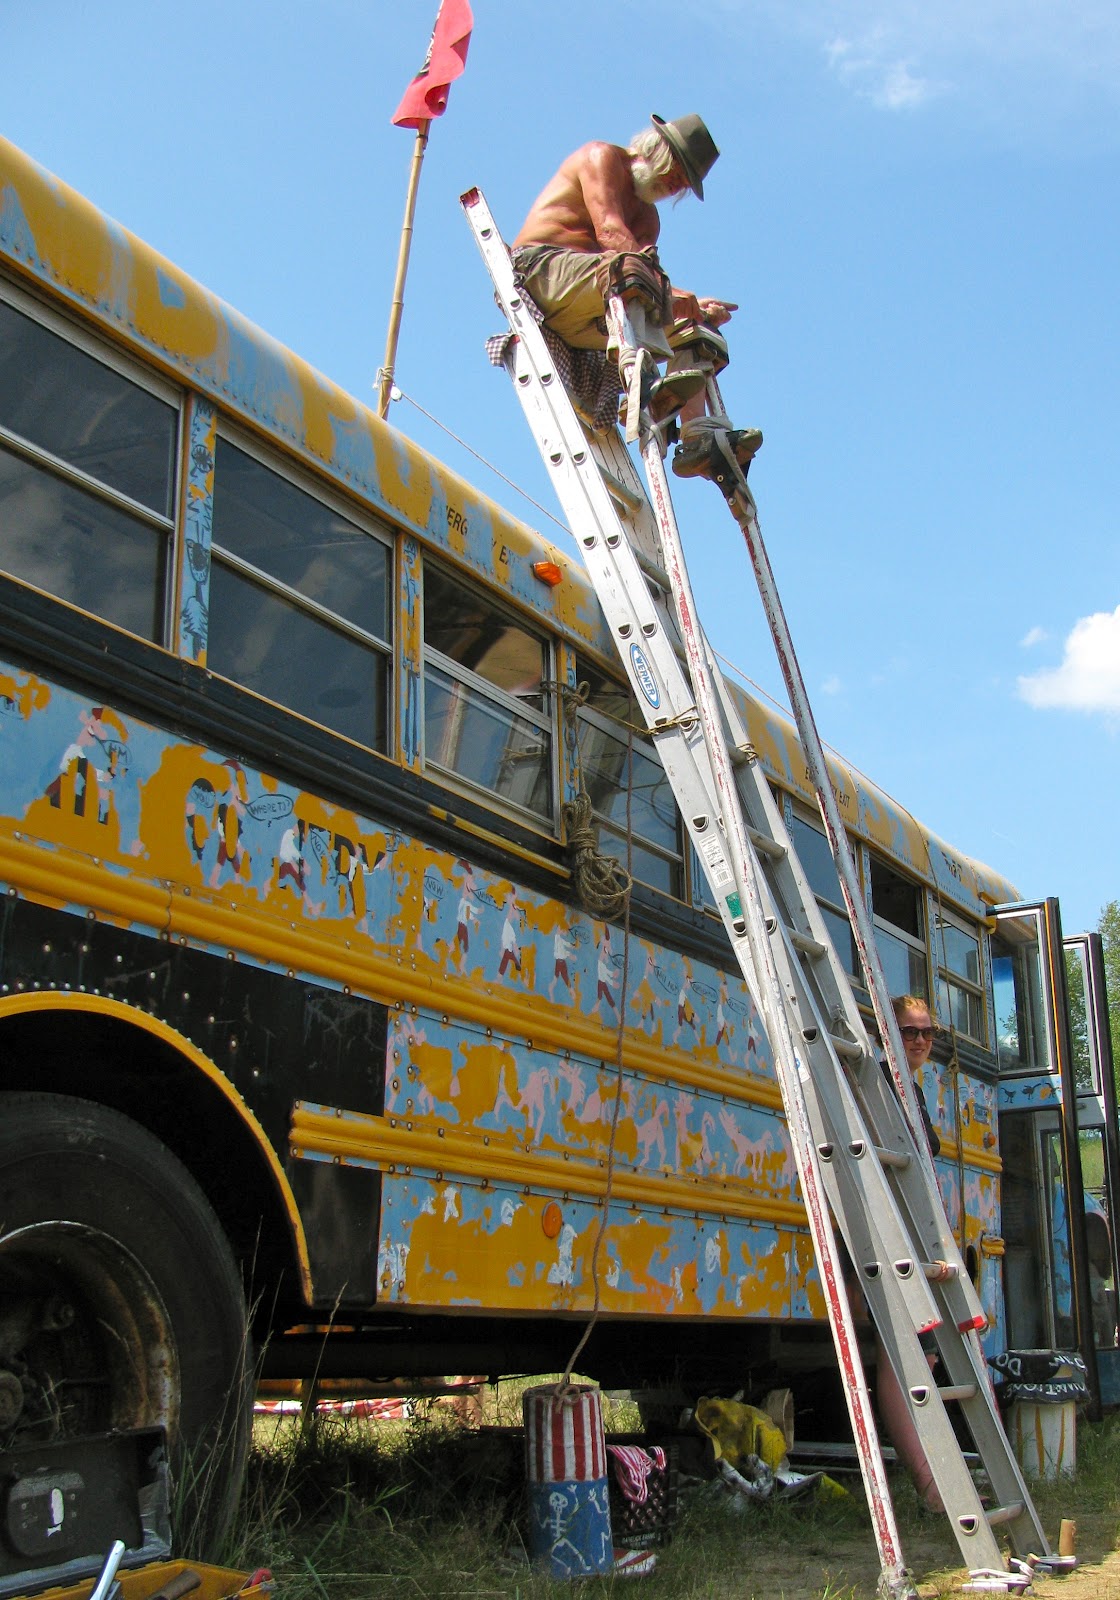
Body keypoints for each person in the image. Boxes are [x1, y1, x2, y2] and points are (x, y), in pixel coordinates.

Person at [511, 114, 762, 474]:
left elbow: (649, 285)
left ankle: (696, 437)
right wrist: (669, 293)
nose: (676, 184)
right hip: (543, 274)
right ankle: (646, 381)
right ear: (656, 149)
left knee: (698, 331)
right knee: (633, 271)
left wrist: (693, 309)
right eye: (677, 169)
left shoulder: (649, 220)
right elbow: (611, 233)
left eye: (684, 183)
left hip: (597, 308)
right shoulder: (602, 157)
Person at [874, 994, 945, 1510]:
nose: (919, 1040)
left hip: (911, 1233)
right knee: (902, 1353)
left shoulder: (907, 1087)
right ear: (886, 1033)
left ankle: (930, 1474)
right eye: (908, 1030)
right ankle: (927, 1484)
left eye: (927, 1032)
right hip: (889, 1233)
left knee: (925, 1352)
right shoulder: (879, 1081)